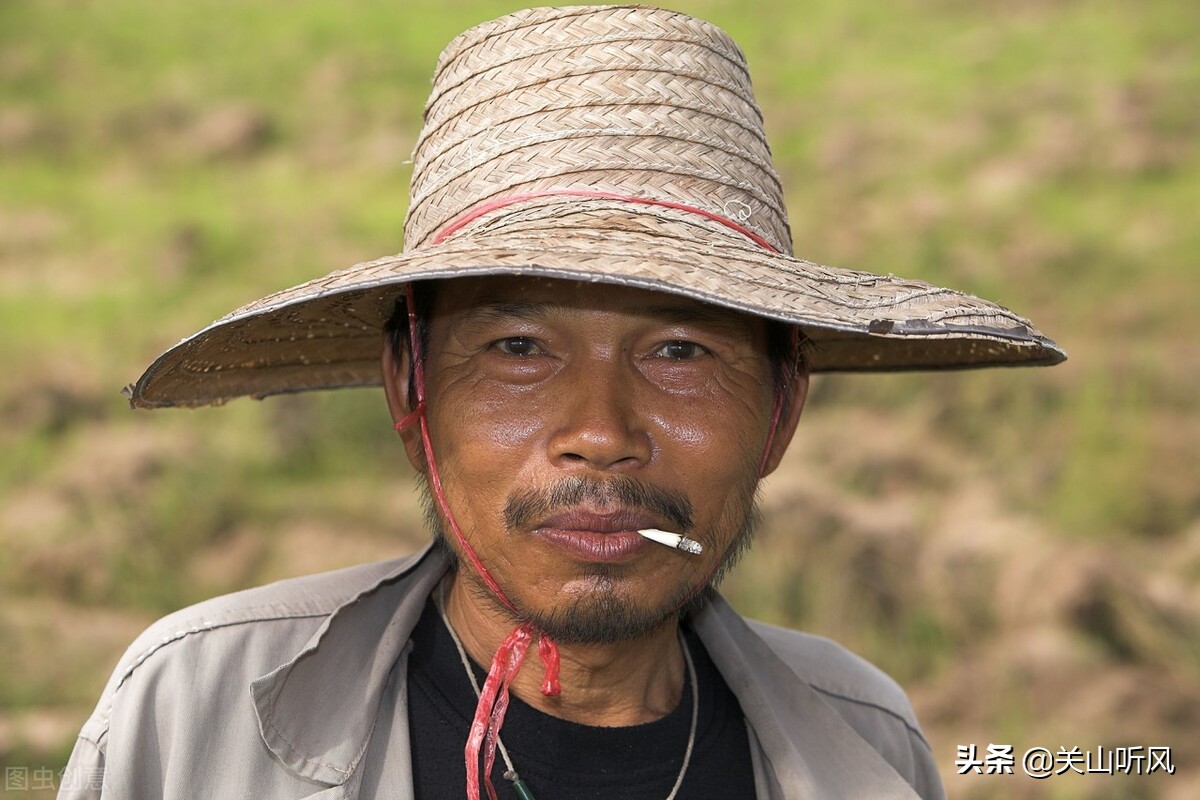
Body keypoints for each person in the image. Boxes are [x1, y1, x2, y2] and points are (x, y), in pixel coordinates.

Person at [60, 6, 1063, 800]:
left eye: (679, 350)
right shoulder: (191, 717)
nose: (600, 434)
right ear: (409, 389)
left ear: (782, 407)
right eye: (518, 348)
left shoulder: (866, 744)